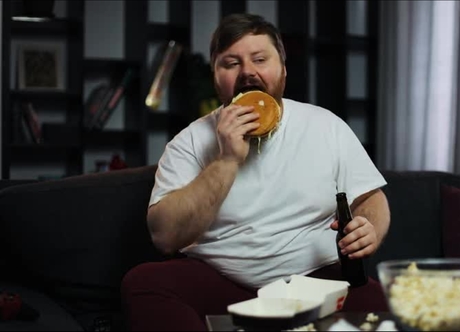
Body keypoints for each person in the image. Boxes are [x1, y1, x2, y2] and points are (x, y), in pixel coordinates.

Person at [121, 13, 391, 331]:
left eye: (260, 59)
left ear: (283, 70)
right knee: (142, 282)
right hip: (221, 282)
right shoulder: (189, 142)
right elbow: (164, 237)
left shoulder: (326, 125)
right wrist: (226, 160)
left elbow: (371, 198)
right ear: (215, 75)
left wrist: (369, 227)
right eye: (231, 63)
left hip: (314, 281)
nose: (248, 71)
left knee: (384, 302)